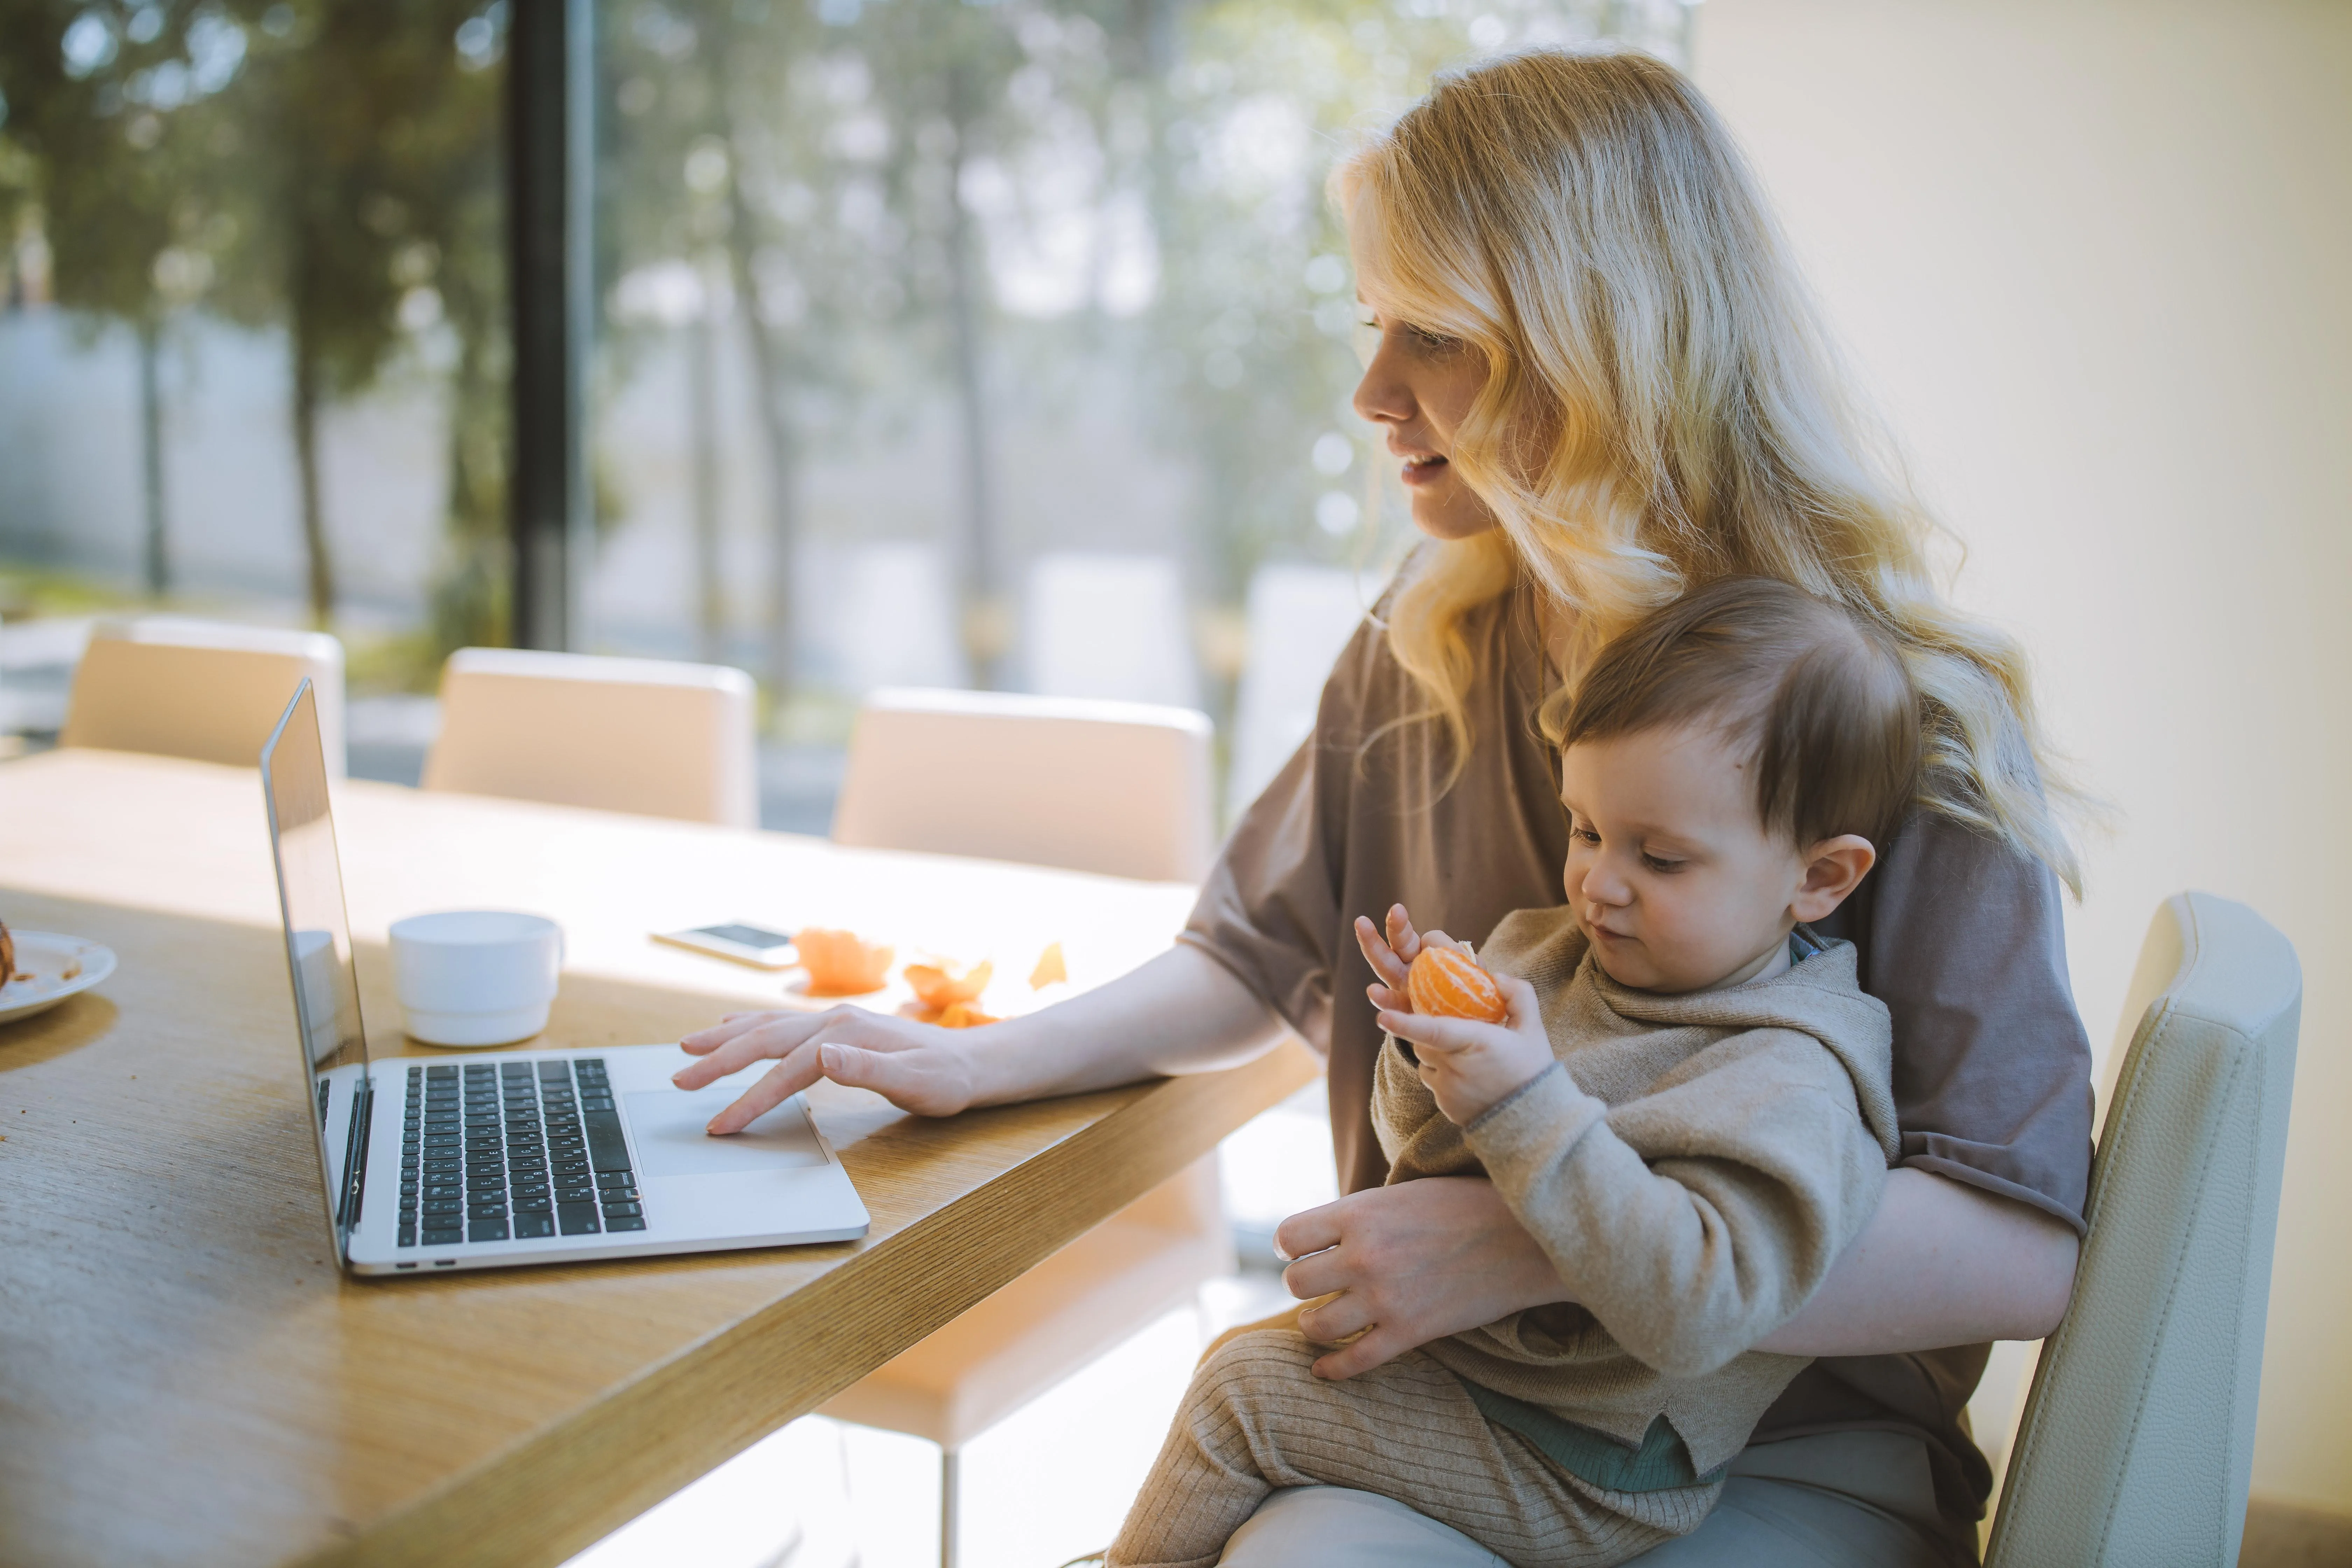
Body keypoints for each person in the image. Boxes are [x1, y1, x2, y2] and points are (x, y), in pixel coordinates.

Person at [677, 46, 2091, 1566]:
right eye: (1372, 326)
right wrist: (983, 1057)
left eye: (1438, 336)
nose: (1371, 392)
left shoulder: (1894, 717)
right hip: (1474, 1395)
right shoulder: (1432, 634)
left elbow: (2017, 1247)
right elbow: (1253, 955)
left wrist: (1530, 1243)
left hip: (1780, 1447)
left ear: (1600, 344)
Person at [1107, 577, 1918, 1568]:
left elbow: (1702, 1309)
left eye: (1660, 858)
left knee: (1243, 1400)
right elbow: (1428, 1156)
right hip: (1483, 1380)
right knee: (1250, 1365)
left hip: (1591, 1462)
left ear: (1821, 878)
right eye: (1586, 829)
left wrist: (1528, 1103)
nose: (1597, 884)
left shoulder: (1793, 1070)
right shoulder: (1554, 953)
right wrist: (1429, 1049)